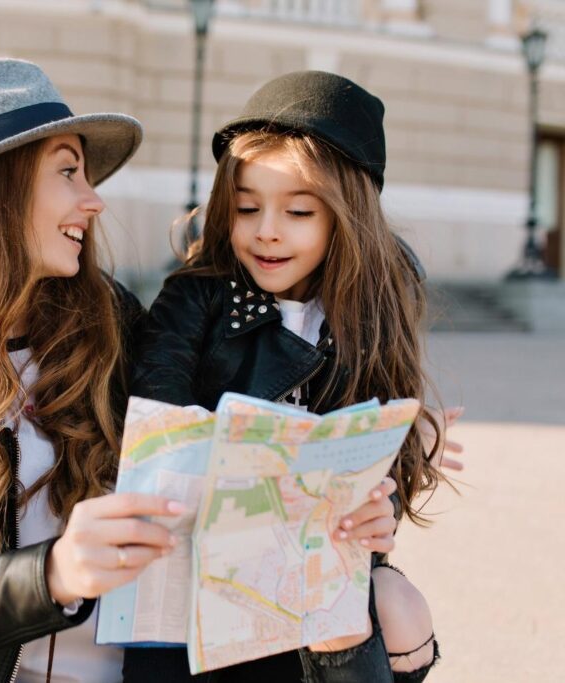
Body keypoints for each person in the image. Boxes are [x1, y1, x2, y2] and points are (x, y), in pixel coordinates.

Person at [0, 59, 401, 683]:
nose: (94, 199)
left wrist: (358, 461)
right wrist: (55, 572)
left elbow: (220, 437)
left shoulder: (108, 320)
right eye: (68, 172)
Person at [124, 71, 446, 682]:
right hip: (196, 555)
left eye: (298, 211)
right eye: (247, 208)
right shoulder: (195, 298)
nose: (267, 229)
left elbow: (376, 459)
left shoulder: (368, 317)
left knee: (400, 610)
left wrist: (384, 503)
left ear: (346, 216)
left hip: (309, 561)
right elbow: (158, 414)